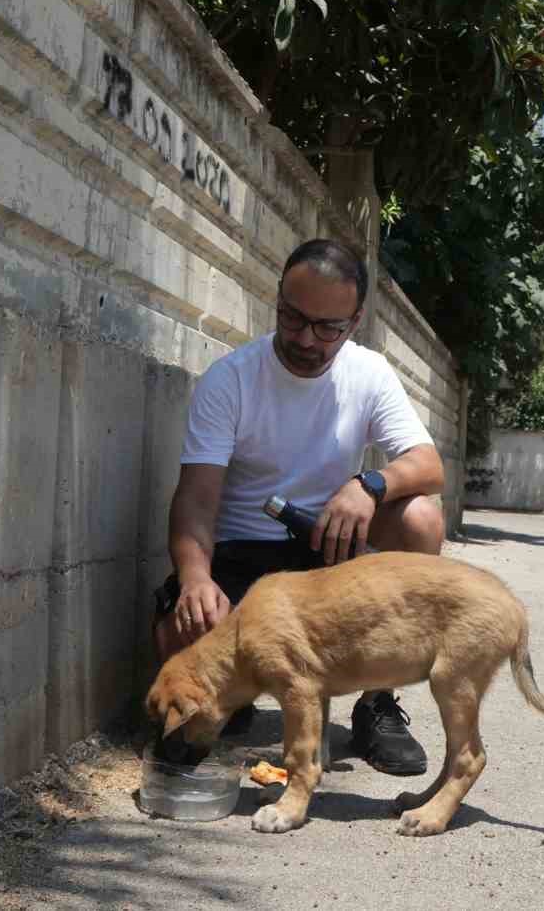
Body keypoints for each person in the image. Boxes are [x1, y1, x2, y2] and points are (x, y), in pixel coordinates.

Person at [151, 238, 447, 775]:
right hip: (244, 554)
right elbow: (195, 497)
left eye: (327, 328)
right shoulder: (231, 378)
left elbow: (429, 465)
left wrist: (369, 485)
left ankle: (377, 702)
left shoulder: (369, 373)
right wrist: (195, 578)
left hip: (327, 560)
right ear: (279, 301)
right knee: (176, 631)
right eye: (292, 318)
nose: (306, 339)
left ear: (354, 322)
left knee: (422, 516)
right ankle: (226, 700)